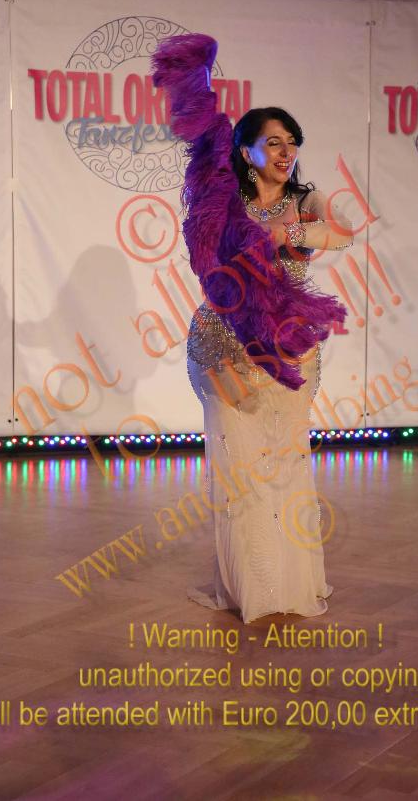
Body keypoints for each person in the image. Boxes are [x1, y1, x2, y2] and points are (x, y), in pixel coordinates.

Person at [151, 34, 353, 624]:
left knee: (287, 464)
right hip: (222, 347)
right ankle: (251, 589)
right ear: (245, 150)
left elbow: (342, 231)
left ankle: (289, 584)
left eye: (292, 142)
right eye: (273, 142)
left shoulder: (306, 200)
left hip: (288, 349)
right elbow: (205, 257)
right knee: (238, 473)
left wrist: (290, 233)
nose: (286, 151)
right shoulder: (220, 203)